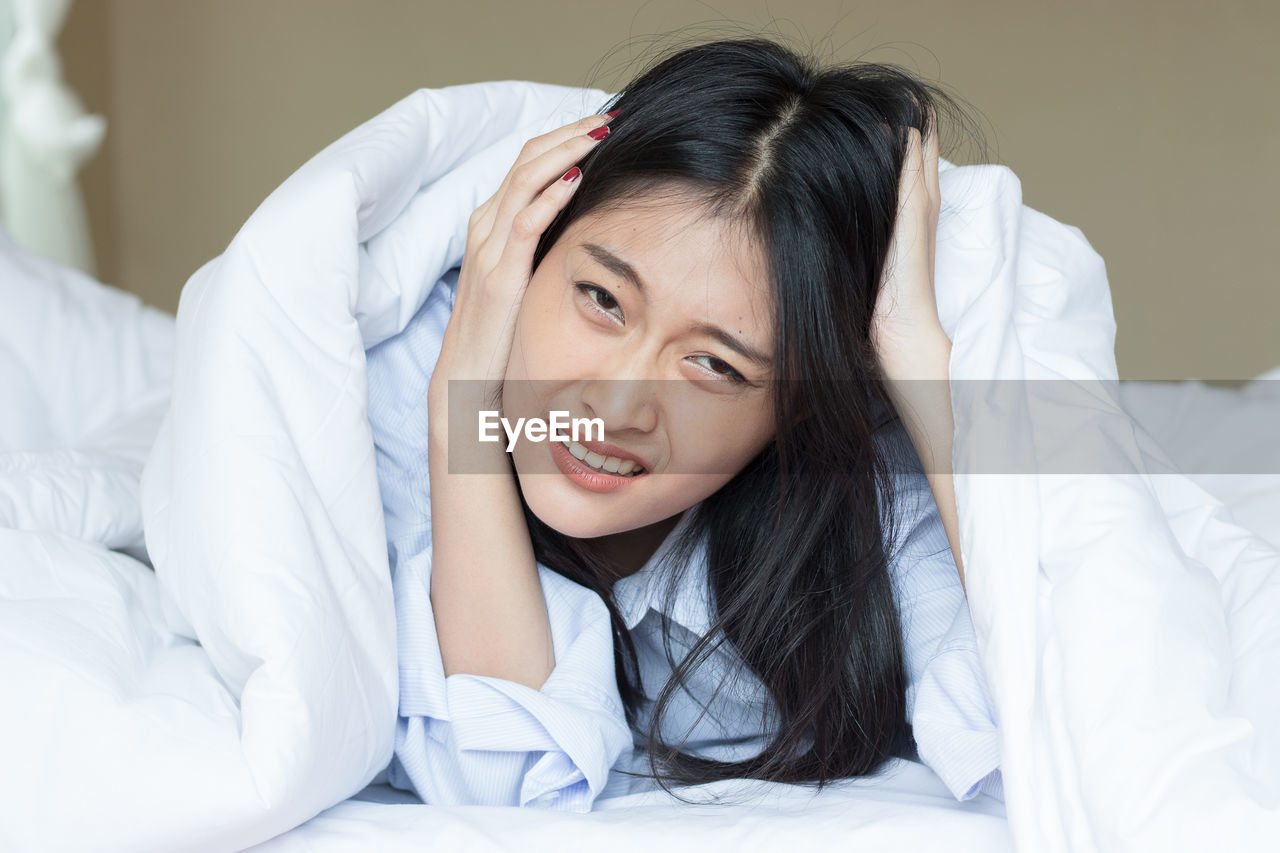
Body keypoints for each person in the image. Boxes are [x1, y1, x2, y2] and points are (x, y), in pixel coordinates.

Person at [366, 37, 1001, 811]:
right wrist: (461, 410)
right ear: (524, 257)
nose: (618, 407)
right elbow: (499, 785)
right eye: (602, 299)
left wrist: (921, 369)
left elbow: (1073, 739)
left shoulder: (872, 489)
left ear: (794, 406)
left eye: (717, 366)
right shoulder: (395, 393)